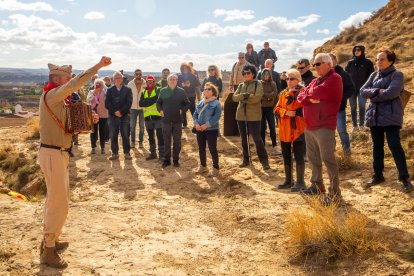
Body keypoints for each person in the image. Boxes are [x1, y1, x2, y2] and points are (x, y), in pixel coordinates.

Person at [38, 56, 111, 268]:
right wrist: (97, 67)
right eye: (67, 78)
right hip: (53, 154)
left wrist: (90, 118)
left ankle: (51, 239)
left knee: (58, 201)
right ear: (58, 80)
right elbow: (76, 84)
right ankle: (48, 249)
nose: (70, 80)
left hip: (57, 153)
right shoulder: (52, 95)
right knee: (57, 203)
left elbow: (69, 122)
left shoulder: (56, 99)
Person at [360, 49, 413, 193]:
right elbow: (362, 91)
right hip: (374, 116)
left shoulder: (398, 75)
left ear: (390, 61)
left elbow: (392, 93)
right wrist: (378, 91)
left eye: (382, 59)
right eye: (377, 59)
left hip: (391, 116)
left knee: (394, 145)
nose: (378, 62)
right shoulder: (373, 75)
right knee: (377, 146)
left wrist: (373, 94)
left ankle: (404, 178)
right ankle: (378, 175)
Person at [297, 53, 343, 201]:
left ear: (328, 64)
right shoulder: (316, 80)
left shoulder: (335, 79)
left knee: (328, 159)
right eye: (314, 64)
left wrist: (308, 96)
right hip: (310, 125)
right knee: (313, 158)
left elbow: (318, 92)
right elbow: (300, 96)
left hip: (324, 125)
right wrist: (310, 98)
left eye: (318, 64)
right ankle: (317, 185)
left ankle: (334, 193)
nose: (315, 67)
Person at [233, 64, 270, 170]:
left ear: (253, 73)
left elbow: (257, 98)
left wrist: (244, 97)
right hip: (240, 115)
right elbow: (235, 98)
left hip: (254, 116)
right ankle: (246, 160)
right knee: (244, 139)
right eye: (244, 73)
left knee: (257, 139)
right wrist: (246, 95)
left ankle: (264, 161)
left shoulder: (258, 84)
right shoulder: (240, 85)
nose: (245, 74)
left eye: (248, 72)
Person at [274, 69, 306, 192]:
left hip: (298, 129)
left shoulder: (303, 92)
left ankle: (300, 182)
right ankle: (288, 180)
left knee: (299, 156)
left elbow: (300, 108)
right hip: (284, 130)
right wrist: (285, 112)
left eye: (291, 78)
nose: (289, 81)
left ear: (298, 80)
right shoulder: (283, 93)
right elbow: (276, 109)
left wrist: (293, 110)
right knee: (286, 155)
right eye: (287, 78)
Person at [156, 74, 190, 168]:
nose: (172, 81)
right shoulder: (163, 91)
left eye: (174, 79)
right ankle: (166, 160)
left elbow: (187, 104)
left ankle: (175, 160)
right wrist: (160, 110)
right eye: (170, 79)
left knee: (177, 141)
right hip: (166, 120)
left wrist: (182, 110)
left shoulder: (181, 91)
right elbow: (158, 103)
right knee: (167, 141)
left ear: (177, 80)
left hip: (177, 121)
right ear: (167, 81)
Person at [193, 82, 222, 176]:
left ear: (213, 91)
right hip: (199, 129)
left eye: (209, 89)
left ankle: (215, 168)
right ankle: (203, 166)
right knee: (201, 148)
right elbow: (195, 114)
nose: (206, 90)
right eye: (205, 89)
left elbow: (217, 117)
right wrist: (196, 123)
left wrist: (206, 125)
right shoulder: (201, 102)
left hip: (211, 129)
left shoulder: (216, 103)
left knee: (212, 148)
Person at [329, 53, 355, 156]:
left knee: (342, 131)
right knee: (330, 133)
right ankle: (332, 154)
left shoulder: (343, 73)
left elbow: (351, 88)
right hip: (327, 109)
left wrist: (340, 98)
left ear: (335, 60)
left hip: (339, 109)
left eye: (331, 59)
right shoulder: (324, 74)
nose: (329, 62)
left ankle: (347, 154)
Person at [345, 45, 375, 132]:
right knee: (353, 107)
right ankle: (354, 126)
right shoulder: (350, 63)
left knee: (362, 106)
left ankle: (361, 124)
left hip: (363, 89)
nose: (356, 51)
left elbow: (371, 75)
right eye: (354, 50)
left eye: (358, 50)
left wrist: (369, 86)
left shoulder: (368, 63)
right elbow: (346, 75)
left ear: (362, 51)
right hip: (352, 89)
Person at [105, 71, 133, 160]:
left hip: (124, 116)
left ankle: (127, 152)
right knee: (113, 135)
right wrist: (115, 112)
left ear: (122, 79)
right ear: (113, 80)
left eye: (120, 77)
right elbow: (107, 103)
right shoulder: (109, 90)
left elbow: (129, 102)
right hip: (113, 116)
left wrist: (121, 112)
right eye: (116, 78)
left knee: (125, 134)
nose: (118, 79)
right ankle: (114, 153)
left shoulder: (128, 90)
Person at [224, 53, 250, 136]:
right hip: (236, 86)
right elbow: (232, 75)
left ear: (244, 57)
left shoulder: (248, 65)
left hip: (244, 86)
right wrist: (231, 84)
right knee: (237, 105)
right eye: (239, 57)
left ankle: (244, 129)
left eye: (242, 57)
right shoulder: (235, 64)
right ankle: (236, 128)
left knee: (243, 106)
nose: (241, 59)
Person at [139, 75, 164, 160]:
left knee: (160, 135)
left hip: (158, 117)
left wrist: (147, 102)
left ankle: (161, 154)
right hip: (147, 117)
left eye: (151, 81)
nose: (150, 82)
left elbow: (158, 99)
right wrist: (152, 100)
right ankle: (153, 153)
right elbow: (141, 104)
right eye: (148, 81)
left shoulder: (158, 90)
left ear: (154, 82)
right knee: (150, 136)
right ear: (146, 82)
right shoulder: (144, 91)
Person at [260, 68, 280, 154]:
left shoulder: (273, 83)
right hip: (261, 108)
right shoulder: (259, 84)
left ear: (270, 75)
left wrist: (267, 97)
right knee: (262, 127)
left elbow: (274, 94)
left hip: (270, 108)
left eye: (267, 74)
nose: (266, 76)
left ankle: (274, 145)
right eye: (264, 74)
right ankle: (262, 145)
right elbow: (260, 94)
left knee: (272, 127)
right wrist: (268, 96)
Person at [87, 78, 108, 155]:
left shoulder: (105, 92)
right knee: (93, 131)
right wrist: (94, 93)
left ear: (103, 85)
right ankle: (93, 147)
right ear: (95, 85)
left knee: (102, 131)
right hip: (93, 114)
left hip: (103, 114)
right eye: (97, 84)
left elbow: (108, 102)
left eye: (100, 84)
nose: (99, 85)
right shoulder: (91, 92)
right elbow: (88, 100)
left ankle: (102, 147)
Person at [177, 63, 200, 129]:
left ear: (188, 69)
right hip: (182, 96)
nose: (184, 70)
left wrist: (190, 85)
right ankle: (184, 124)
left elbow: (197, 84)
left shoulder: (192, 76)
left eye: (186, 68)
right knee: (183, 110)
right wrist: (181, 85)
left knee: (193, 109)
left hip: (191, 95)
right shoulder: (179, 76)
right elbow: (176, 85)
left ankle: (196, 124)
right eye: (183, 69)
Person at [127, 69, 146, 148]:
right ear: (134, 75)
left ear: (141, 74)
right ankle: (132, 141)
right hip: (132, 108)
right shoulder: (130, 84)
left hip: (142, 108)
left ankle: (140, 141)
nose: (138, 75)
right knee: (132, 126)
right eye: (136, 74)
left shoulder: (145, 84)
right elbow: (127, 96)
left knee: (142, 126)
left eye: (139, 74)